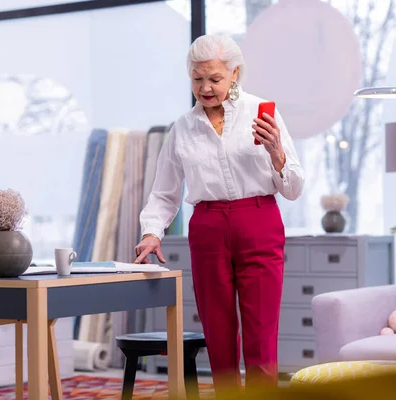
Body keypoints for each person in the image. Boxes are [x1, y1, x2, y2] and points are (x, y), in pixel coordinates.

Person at [134, 34, 305, 394]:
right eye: (197, 79)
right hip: (208, 228)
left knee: (261, 330)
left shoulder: (263, 115)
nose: (205, 88)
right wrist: (152, 233)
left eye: (214, 78)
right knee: (218, 329)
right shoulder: (183, 128)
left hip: (259, 221)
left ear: (234, 74)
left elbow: (293, 188)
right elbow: (164, 193)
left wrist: (277, 153)